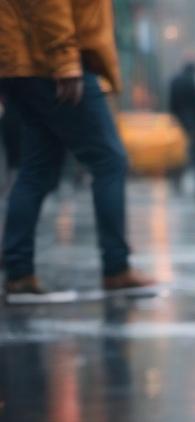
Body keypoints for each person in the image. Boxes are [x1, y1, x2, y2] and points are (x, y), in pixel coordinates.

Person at [0, 0, 155, 301]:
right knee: (110, 160)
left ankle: (19, 271)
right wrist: (65, 61)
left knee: (38, 168)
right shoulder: (60, 60)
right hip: (51, 63)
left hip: (25, 62)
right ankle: (116, 268)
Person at [168, 57, 195, 201]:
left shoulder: (175, 82)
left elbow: (171, 104)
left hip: (179, 124)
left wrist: (174, 119)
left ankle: (177, 183)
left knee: (179, 155)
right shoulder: (193, 82)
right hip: (193, 125)